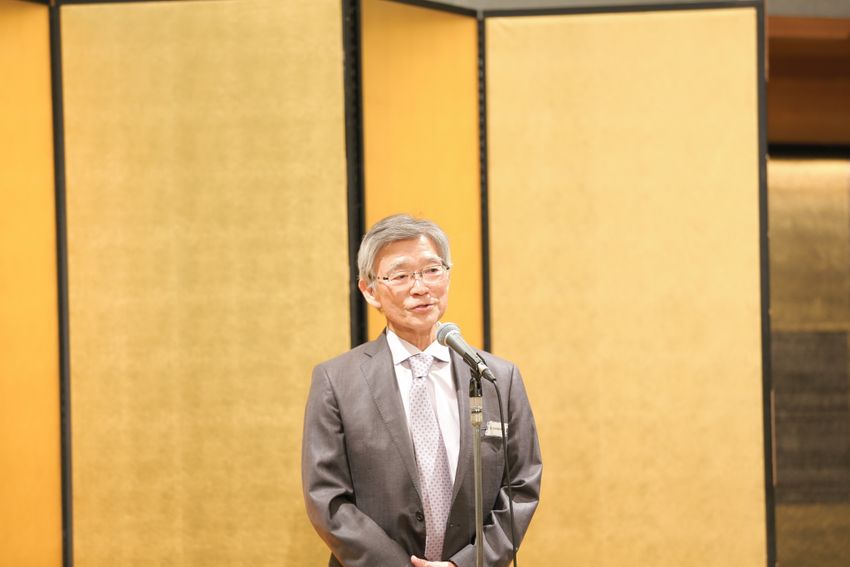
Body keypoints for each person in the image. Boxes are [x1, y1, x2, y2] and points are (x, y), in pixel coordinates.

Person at [302, 214, 542, 567]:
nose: (420, 287)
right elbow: (327, 498)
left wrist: (464, 564)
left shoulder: (496, 378)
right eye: (400, 275)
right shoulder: (336, 381)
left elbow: (521, 486)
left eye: (432, 270)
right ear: (369, 291)